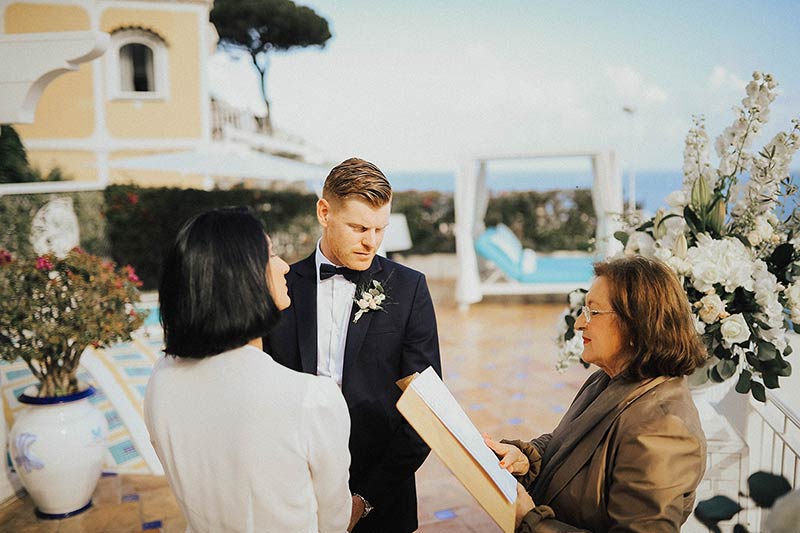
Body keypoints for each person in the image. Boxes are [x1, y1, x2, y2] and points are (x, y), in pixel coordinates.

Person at [145, 207, 352, 532]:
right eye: (270, 255)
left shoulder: (161, 378)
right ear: (240, 277)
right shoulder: (309, 399)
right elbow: (334, 522)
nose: (285, 267)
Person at [266, 158, 442, 533]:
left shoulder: (408, 289)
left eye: (380, 229)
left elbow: (426, 412)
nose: (371, 242)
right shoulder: (282, 289)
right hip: (293, 498)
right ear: (324, 212)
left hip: (383, 501)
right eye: (359, 227)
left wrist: (365, 499)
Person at [485, 256, 708, 532]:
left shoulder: (663, 427)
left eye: (593, 312)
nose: (579, 323)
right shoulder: (609, 378)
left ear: (637, 324)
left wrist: (532, 523)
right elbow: (566, 445)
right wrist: (526, 459)